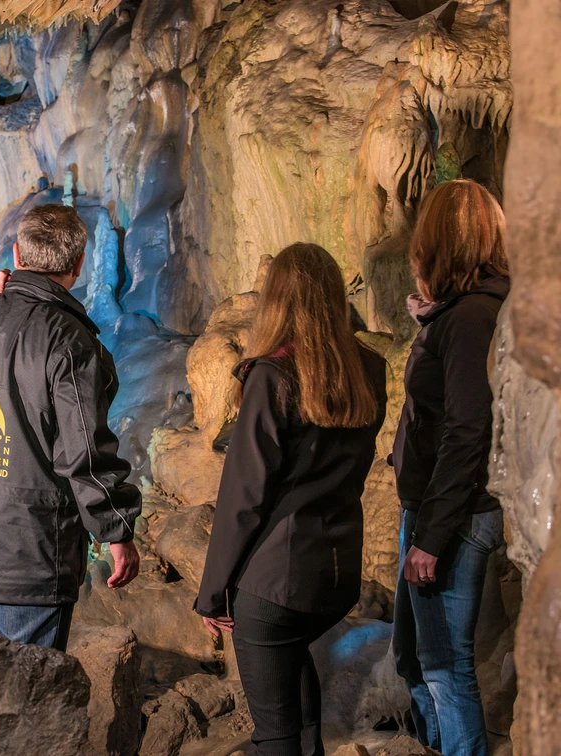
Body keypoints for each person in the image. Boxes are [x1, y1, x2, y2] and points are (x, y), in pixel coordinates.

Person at [0, 203, 141, 652]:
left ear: (17, 255)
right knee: (30, 691)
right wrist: (115, 530)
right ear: (78, 266)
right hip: (33, 554)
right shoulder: (72, 342)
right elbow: (85, 452)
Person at [195, 243, 387, 756]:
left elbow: (244, 497)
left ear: (277, 300)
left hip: (275, 583)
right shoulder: (369, 369)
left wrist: (213, 592)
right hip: (334, 574)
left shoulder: (272, 376)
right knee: (301, 717)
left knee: (274, 735)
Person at [392, 178, 509, 756]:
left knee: (444, 668)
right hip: (435, 510)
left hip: (452, 517)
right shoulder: (464, 313)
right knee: (415, 658)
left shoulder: (469, 321)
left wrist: (431, 537)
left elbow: (469, 430)